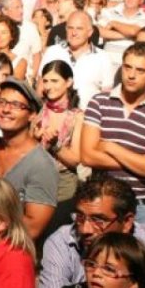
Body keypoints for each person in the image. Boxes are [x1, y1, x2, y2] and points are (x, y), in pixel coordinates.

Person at [80, 42, 145, 236]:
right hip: (102, 205)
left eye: (140, 70)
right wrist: (144, 160)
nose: (131, 75)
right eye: (127, 67)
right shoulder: (99, 102)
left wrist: (110, 147)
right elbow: (87, 156)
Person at [0, 77, 58, 241]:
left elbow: (33, 228)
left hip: (12, 254)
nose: (6, 110)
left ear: (32, 115)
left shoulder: (41, 165)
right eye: (2, 102)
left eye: (16, 105)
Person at [32, 59, 84, 237]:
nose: (48, 86)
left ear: (68, 82)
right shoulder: (37, 111)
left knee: (56, 234)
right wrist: (34, 137)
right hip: (35, 180)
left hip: (63, 184)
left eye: (55, 81)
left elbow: (75, 159)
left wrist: (54, 145)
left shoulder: (77, 117)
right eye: (45, 81)